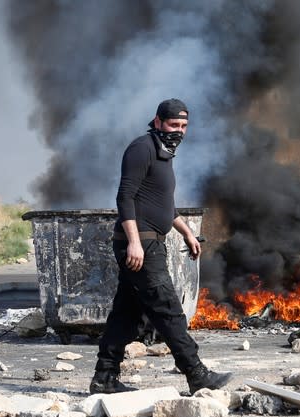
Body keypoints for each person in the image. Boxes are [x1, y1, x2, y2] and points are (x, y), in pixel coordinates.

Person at [90, 98, 233, 395]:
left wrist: (187, 233)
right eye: (173, 124)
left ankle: (104, 377)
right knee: (168, 310)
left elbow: (164, 206)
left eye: (183, 126)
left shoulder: (164, 155)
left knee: (125, 315)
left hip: (150, 242)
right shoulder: (142, 148)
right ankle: (197, 374)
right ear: (157, 122)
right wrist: (133, 242)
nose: (179, 131)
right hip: (141, 244)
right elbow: (125, 197)